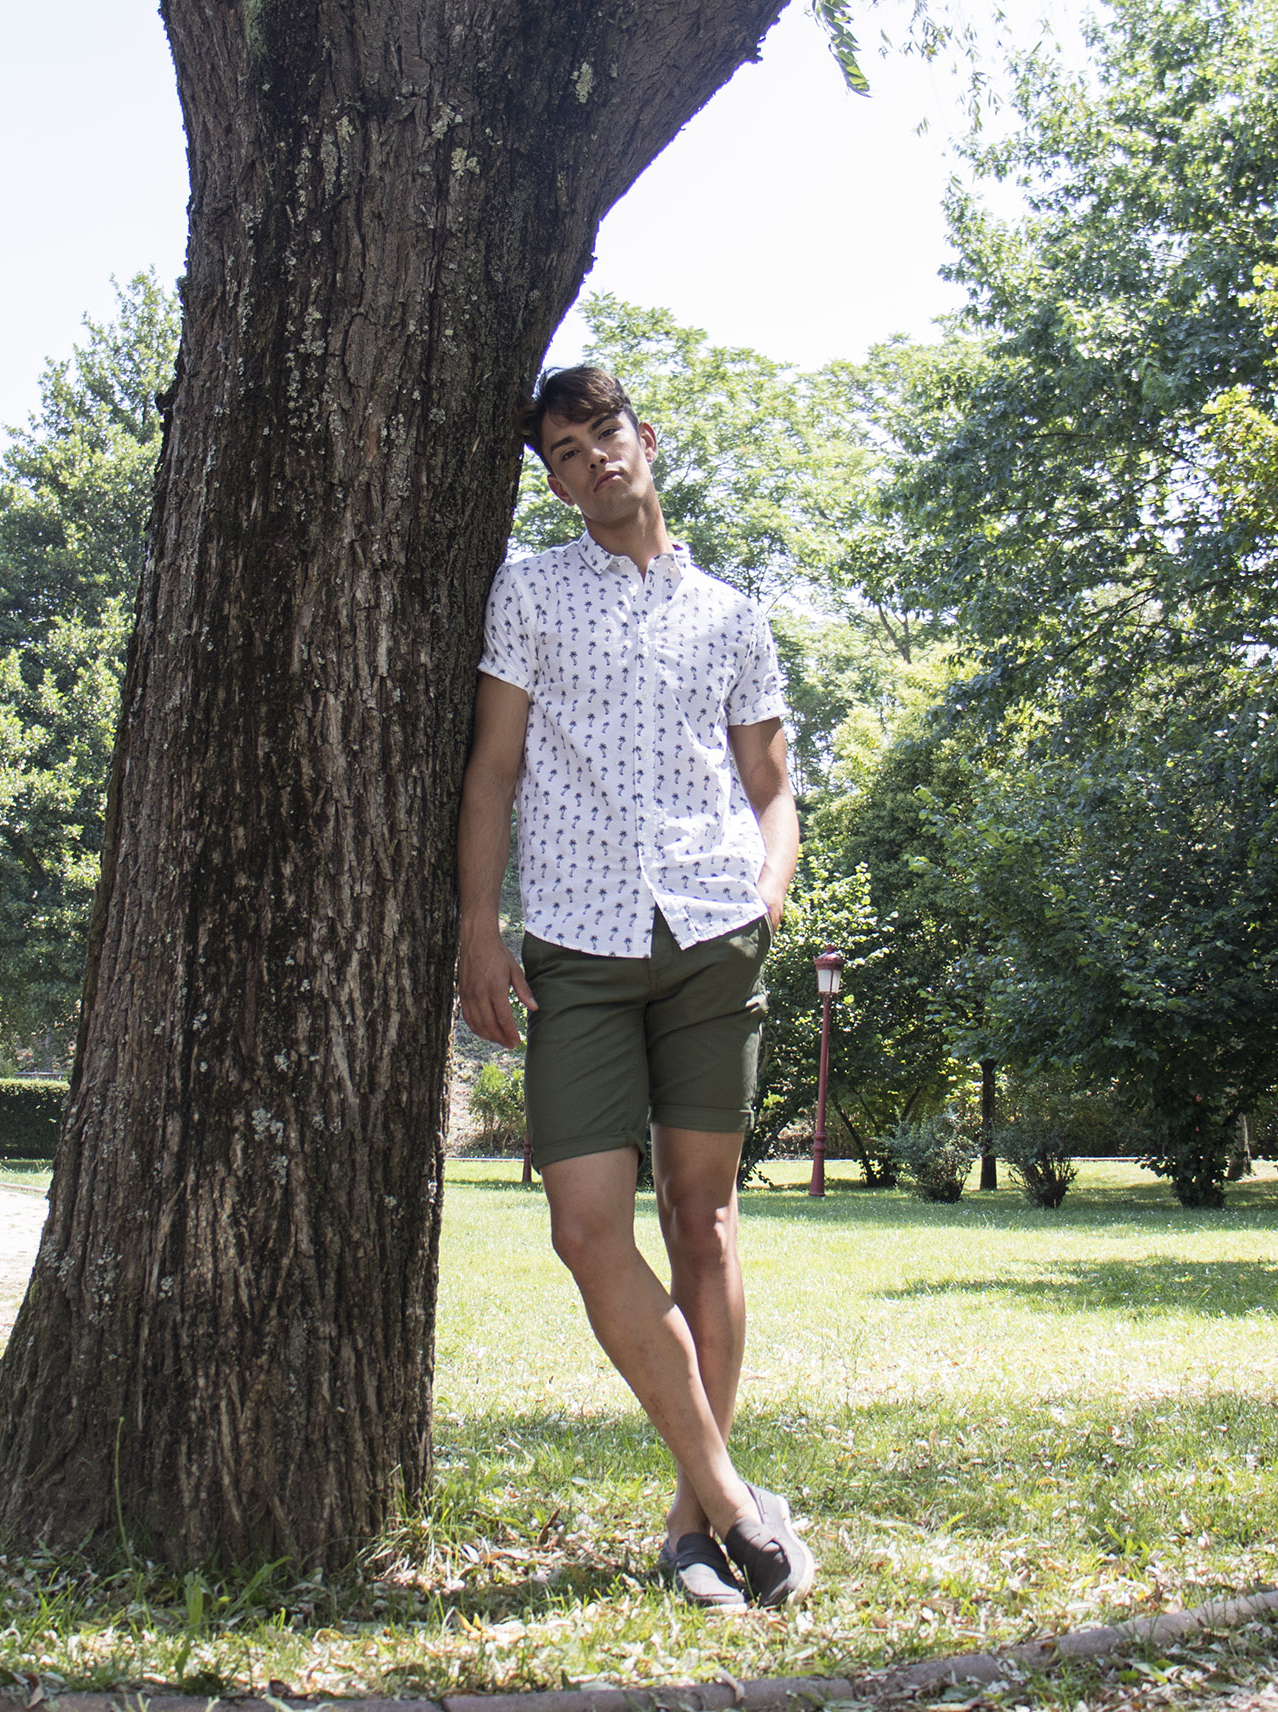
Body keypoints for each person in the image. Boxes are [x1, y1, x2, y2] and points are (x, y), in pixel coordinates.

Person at [454, 366, 812, 1611]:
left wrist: (765, 893)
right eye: (562, 452)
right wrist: (476, 933)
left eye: (602, 433)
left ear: (643, 439)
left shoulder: (731, 613)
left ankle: (691, 1527)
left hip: (713, 936)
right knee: (585, 1227)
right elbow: (492, 772)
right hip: (573, 946)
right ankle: (733, 1499)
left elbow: (772, 786)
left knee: (704, 1228)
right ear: (552, 480)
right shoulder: (528, 591)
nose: (591, 459)